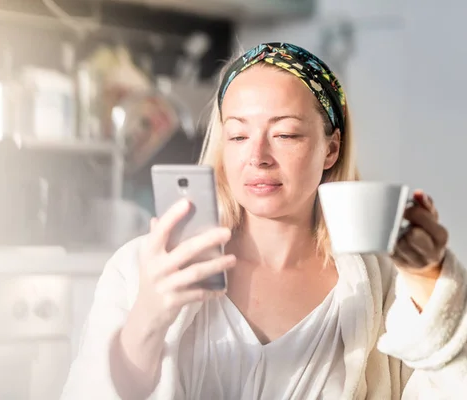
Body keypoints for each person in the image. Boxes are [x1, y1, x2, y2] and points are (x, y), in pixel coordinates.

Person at [62, 42, 467, 399]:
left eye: (286, 134)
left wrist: (430, 282)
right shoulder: (142, 271)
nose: (257, 156)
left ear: (332, 148)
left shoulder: (387, 287)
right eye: (238, 136)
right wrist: (147, 320)